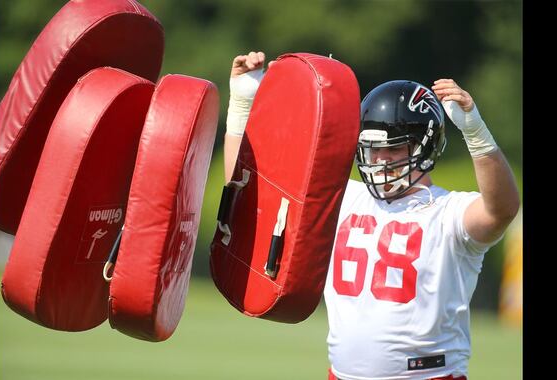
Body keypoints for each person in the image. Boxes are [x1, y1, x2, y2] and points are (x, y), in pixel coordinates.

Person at [223, 51, 520, 380]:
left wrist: (476, 133)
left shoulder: (447, 212)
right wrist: (241, 104)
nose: (379, 160)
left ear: (426, 144)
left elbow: (502, 209)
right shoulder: (344, 197)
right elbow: (251, 186)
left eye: (392, 149)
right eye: (372, 148)